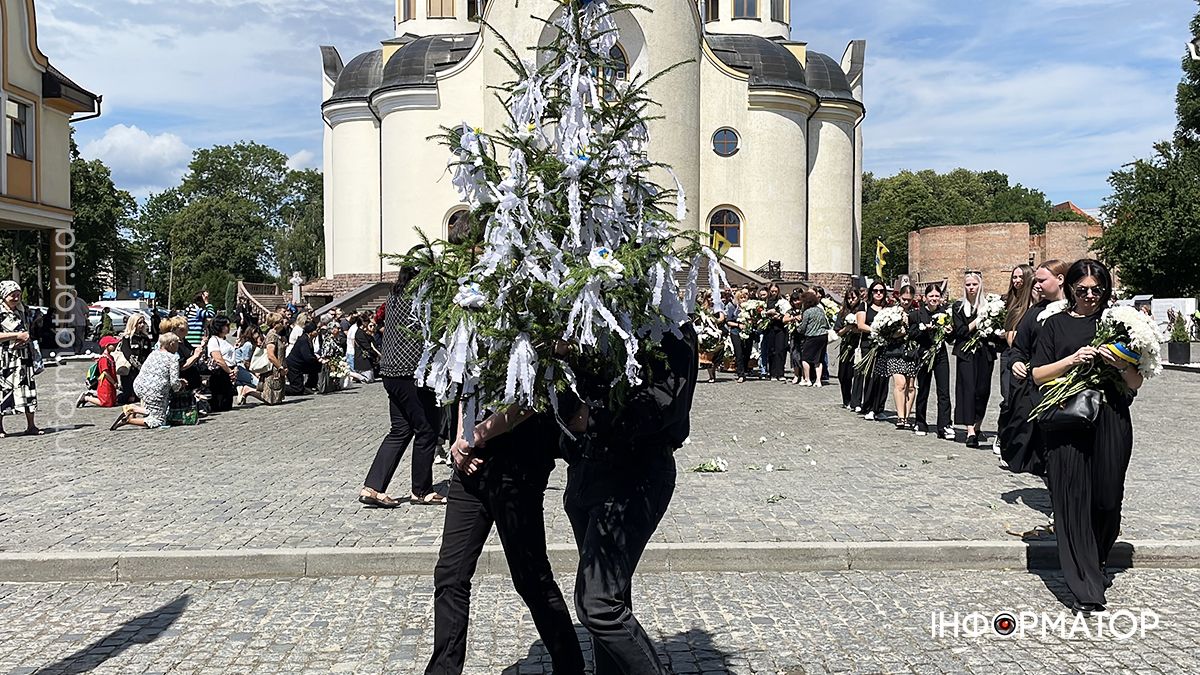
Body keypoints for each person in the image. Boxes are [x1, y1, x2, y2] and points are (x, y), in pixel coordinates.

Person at [562, 322, 696, 675]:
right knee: (611, 596)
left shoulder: (667, 326)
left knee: (598, 603)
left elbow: (665, 403)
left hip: (635, 474)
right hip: (586, 471)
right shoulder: (587, 313)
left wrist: (594, 418)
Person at [425, 410, 585, 675]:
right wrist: (459, 443)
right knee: (450, 575)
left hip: (517, 466)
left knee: (531, 578)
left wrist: (475, 435)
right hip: (471, 467)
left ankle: (570, 668)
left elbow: (527, 403)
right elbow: (465, 385)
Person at [1031, 259, 1139, 613]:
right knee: (1072, 501)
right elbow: (1038, 375)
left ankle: (1099, 558)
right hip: (1067, 423)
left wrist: (1119, 363)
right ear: (1070, 289)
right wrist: (1073, 360)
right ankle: (1085, 584)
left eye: (1097, 289)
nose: (1090, 296)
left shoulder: (1120, 325)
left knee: (1107, 500)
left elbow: (1136, 381)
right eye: (1083, 290)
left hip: (1111, 419)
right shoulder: (1055, 326)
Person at [360, 266, 446, 507]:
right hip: (411, 374)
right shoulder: (420, 299)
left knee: (400, 430)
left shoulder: (394, 296)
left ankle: (373, 487)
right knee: (427, 429)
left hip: (390, 373)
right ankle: (422, 490)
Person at [1001, 259, 1068, 477]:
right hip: (1038, 386)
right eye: (1036, 280)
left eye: (1041, 280)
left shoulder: (1076, 310)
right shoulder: (1035, 313)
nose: (1036, 285)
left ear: (1060, 279)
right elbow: (1019, 348)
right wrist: (1017, 362)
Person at [951, 271, 998, 448]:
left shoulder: (990, 306)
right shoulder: (958, 307)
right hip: (966, 353)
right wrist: (979, 321)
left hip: (984, 353)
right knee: (968, 389)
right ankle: (970, 430)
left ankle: (978, 425)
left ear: (980, 286)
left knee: (982, 390)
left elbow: (994, 330)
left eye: (974, 285)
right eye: (968, 285)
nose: (971, 288)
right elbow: (961, 331)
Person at [996, 265, 1035, 454]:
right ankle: (1002, 434)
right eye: (1014, 277)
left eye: (1020, 277)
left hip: (1033, 359)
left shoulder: (1036, 305)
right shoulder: (1012, 304)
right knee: (1008, 397)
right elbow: (1010, 336)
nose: (1016, 281)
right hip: (1012, 355)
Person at [111, 332, 186, 431]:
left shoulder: (153, 353)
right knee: (158, 420)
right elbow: (174, 384)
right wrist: (181, 384)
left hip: (140, 385)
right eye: (177, 343)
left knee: (155, 410)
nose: (178, 345)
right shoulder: (173, 359)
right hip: (155, 390)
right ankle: (129, 420)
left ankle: (134, 409)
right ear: (171, 344)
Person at [911, 284, 953, 439]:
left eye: (937, 296)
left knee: (944, 391)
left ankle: (944, 425)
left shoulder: (945, 314)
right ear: (925, 298)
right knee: (924, 389)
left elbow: (950, 339)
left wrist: (948, 332)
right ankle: (920, 422)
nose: (934, 299)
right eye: (931, 296)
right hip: (924, 353)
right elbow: (912, 334)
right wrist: (924, 330)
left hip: (940, 354)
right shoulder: (918, 314)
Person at [0, 281, 42, 436]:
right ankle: (0, 427)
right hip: (4, 359)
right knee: (3, 391)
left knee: (28, 390)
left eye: (18, 294)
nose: (16, 297)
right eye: (13, 294)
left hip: (24, 358)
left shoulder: (22, 310)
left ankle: (31, 426)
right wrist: (16, 335)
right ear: (4, 295)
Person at [856, 281, 891, 420]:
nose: (878, 293)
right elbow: (860, 324)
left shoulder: (888, 308)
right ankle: (869, 407)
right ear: (871, 292)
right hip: (869, 345)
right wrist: (876, 331)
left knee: (883, 377)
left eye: (881, 291)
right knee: (871, 376)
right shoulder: (864, 306)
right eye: (876, 290)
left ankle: (879, 408)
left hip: (885, 346)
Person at [834, 288, 863, 408]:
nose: (851, 301)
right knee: (843, 374)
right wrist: (848, 327)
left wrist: (855, 329)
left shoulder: (861, 311)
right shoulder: (843, 312)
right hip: (846, 345)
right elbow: (838, 332)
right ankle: (846, 399)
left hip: (857, 345)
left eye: (853, 298)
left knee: (855, 373)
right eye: (849, 298)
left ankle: (855, 400)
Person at [117, 313, 154, 405]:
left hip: (143, 369)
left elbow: (149, 353)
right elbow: (127, 353)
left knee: (138, 396)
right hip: (130, 370)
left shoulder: (145, 338)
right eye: (139, 323)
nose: (142, 325)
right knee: (128, 396)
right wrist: (138, 366)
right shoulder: (127, 338)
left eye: (143, 322)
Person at [205, 316, 239, 412]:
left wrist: (234, 368)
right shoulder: (213, 340)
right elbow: (218, 358)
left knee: (227, 402)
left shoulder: (225, 340)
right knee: (220, 402)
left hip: (229, 370)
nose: (228, 327)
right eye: (226, 325)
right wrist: (229, 371)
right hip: (220, 372)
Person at [76, 336, 121, 408]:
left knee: (112, 401)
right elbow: (105, 373)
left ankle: (93, 394)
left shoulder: (110, 357)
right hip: (105, 383)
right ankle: (86, 397)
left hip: (110, 382)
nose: (115, 346)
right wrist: (114, 382)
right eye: (113, 344)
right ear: (107, 346)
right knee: (106, 403)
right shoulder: (104, 359)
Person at [797, 290, 830, 387]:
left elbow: (803, 327)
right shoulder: (820, 310)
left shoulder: (807, 312)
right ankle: (818, 381)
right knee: (818, 360)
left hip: (812, 337)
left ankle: (807, 379)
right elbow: (827, 324)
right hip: (823, 336)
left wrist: (797, 328)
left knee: (805, 359)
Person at [285, 322, 323, 396]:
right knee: (297, 389)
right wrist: (317, 359)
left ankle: (310, 385)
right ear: (311, 332)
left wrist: (318, 360)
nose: (318, 331)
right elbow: (307, 357)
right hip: (294, 366)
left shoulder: (309, 339)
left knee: (316, 366)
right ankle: (280, 388)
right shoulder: (303, 340)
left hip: (301, 365)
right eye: (316, 330)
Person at [259, 312, 288, 406]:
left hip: (278, 368)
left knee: (277, 399)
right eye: (280, 322)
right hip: (273, 369)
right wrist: (280, 367)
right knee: (270, 397)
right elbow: (270, 354)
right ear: (274, 324)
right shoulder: (271, 335)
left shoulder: (277, 335)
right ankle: (248, 391)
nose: (283, 323)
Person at [762, 284, 788, 381]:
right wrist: (767, 313)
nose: (773, 293)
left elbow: (786, 313)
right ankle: (772, 373)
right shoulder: (766, 301)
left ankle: (780, 373)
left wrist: (778, 315)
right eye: (772, 291)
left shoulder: (782, 302)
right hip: (770, 328)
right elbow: (761, 313)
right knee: (771, 350)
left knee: (780, 350)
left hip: (780, 328)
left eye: (775, 291)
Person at [727, 288, 751, 383]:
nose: (743, 300)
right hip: (735, 332)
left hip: (747, 332)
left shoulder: (749, 308)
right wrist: (738, 325)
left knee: (747, 352)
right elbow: (728, 321)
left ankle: (744, 370)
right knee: (739, 352)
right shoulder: (733, 307)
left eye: (745, 298)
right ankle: (740, 373)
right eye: (741, 298)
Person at [782, 292, 806, 385]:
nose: (797, 302)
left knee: (804, 356)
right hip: (794, 335)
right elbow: (784, 319)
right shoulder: (790, 311)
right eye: (794, 300)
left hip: (804, 335)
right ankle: (796, 375)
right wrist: (794, 318)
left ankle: (804, 376)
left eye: (798, 300)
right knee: (795, 356)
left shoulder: (805, 310)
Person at [69, 289, 88, 354]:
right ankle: (75, 349)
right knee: (73, 337)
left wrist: (86, 318)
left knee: (79, 337)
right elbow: (66, 313)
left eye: (73, 294)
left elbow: (86, 311)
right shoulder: (69, 302)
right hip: (71, 323)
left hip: (80, 323)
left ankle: (78, 350)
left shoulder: (81, 301)